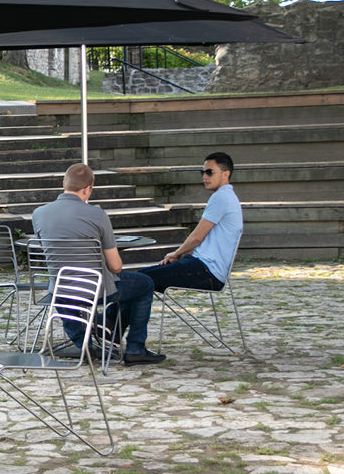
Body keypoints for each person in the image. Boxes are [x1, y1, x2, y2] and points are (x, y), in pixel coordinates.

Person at [31, 163, 165, 365]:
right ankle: (135, 347)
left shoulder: (38, 214)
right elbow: (116, 267)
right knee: (144, 283)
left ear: (63, 184)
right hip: (94, 291)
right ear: (88, 189)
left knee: (63, 290)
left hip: (60, 289)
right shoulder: (97, 215)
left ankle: (85, 342)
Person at [140, 152, 243, 296]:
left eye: (209, 172)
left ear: (225, 174)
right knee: (142, 279)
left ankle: (112, 317)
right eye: (203, 172)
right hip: (204, 266)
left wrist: (176, 253)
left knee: (140, 280)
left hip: (207, 271)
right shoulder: (228, 196)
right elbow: (203, 239)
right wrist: (179, 255)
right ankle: (115, 317)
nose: (205, 177)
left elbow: (197, 237)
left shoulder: (220, 197)